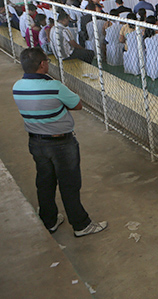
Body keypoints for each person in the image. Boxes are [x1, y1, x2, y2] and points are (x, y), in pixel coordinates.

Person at [12, 48, 107, 236]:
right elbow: (77, 105)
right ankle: (81, 225)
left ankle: (49, 220)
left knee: (44, 181)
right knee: (69, 183)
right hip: (61, 143)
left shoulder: (17, 86)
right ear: (42, 64)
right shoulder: (54, 86)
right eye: (47, 61)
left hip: (36, 142)